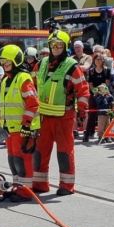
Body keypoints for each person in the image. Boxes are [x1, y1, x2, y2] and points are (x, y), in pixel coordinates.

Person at [32, 30, 90, 196]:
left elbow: (83, 90)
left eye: (59, 45)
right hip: (43, 117)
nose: (56, 48)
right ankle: (40, 184)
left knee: (64, 152)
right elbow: (32, 84)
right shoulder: (41, 63)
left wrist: (82, 113)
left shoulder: (71, 66)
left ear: (65, 47)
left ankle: (66, 185)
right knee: (40, 152)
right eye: (53, 45)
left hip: (64, 116)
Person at [0, 44, 40, 202]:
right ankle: (17, 186)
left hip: (23, 128)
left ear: (16, 61)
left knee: (23, 160)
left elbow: (33, 103)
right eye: (3, 63)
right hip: (9, 128)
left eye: (7, 62)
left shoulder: (23, 78)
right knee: (13, 160)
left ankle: (26, 191)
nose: (4, 65)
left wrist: (26, 124)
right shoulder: (6, 80)